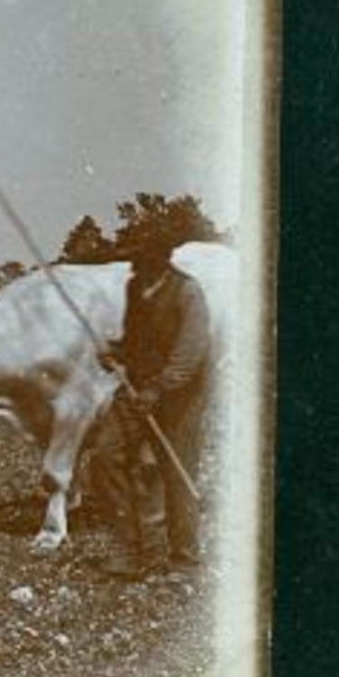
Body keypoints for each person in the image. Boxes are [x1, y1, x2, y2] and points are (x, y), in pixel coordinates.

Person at [92, 232, 213, 580]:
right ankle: (128, 553)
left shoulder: (188, 292)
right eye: (133, 256)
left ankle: (185, 560)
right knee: (104, 455)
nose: (134, 263)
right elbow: (135, 343)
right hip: (137, 389)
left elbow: (189, 355)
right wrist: (115, 353)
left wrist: (158, 389)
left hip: (179, 395)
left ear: (161, 257)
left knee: (177, 470)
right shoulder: (135, 288)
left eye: (140, 256)